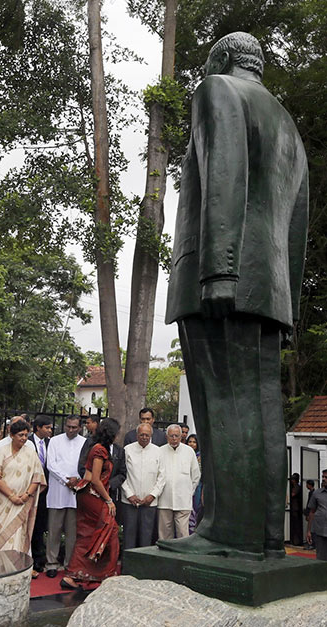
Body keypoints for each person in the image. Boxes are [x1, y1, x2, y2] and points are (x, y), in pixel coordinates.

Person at [163, 32, 308, 559]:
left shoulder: (216, 89)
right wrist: (285, 300)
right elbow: (297, 226)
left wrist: (218, 271)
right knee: (262, 412)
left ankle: (227, 531)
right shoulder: (287, 124)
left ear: (222, 59)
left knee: (221, 406)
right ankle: (264, 538)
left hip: (219, 280)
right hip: (267, 287)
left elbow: (222, 175)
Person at [61, 418, 121, 589]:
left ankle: (75, 575)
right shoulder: (100, 450)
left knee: (88, 533)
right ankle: (104, 575)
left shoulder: (95, 448)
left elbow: (89, 477)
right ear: (111, 433)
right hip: (93, 495)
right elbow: (95, 479)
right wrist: (108, 500)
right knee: (111, 529)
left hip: (87, 494)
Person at [0, 419, 46, 553]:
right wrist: (12, 496)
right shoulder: (2, 451)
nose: (24, 438)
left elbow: (37, 478)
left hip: (23, 502)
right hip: (4, 501)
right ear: (12, 435)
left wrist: (26, 495)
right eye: (21, 435)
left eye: (26, 435)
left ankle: (16, 571)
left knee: (19, 536)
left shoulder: (31, 452)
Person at [45, 415, 86, 577]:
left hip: (76, 492)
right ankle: (52, 564)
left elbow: (85, 465)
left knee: (72, 532)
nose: (70, 430)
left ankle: (70, 564)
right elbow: (51, 465)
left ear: (80, 428)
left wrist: (77, 481)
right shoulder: (54, 441)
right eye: (68, 426)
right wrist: (65, 480)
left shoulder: (84, 442)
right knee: (54, 530)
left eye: (74, 427)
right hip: (57, 491)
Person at [121, 423, 163, 550]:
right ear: (136, 435)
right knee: (129, 536)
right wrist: (129, 494)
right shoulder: (127, 450)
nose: (144, 437)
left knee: (147, 536)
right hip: (129, 501)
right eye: (142, 435)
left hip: (149, 502)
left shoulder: (158, 451)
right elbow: (122, 475)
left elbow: (162, 477)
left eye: (147, 435)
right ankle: (127, 567)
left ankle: (143, 567)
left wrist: (152, 495)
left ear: (151, 435)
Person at [156, 425, 200, 541]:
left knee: (183, 533)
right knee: (164, 534)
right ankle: (164, 557)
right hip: (164, 500)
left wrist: (189, 492)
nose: (174, 439)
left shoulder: (189, 451)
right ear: (167, 437)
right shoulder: (160, 451)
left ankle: (182, 558)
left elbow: (195, 475)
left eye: (177, 436)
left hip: (183, 500)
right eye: (171, 436)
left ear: (181, 437)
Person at [29, 414, 53, 574]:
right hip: (30, 489)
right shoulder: (28, 442)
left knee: (39, 525)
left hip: (45, 489)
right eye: (47, 427)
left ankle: (39, 559)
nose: (50, 430)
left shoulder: (51, 443)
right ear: (38, 428)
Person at [306, 469, 327, 561]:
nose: (324, 479)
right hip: (320, 531)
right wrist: (309, 531)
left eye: (326, 477)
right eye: (323, 477)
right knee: (321, 559)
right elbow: (312, 512)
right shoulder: (317, 493)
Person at [186, 434, 202, 534]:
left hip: (198, 486)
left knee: (196, 507)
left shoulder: (201, 456)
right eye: (190, 441)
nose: (192, 444)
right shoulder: (184, 454)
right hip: (185, 486)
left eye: (194, 442)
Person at [289, 472, 303, 546]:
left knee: (296, 526)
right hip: (294, 509)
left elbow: (292, 494)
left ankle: (297, 541)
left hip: (295, 509)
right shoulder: (295, 486)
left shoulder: (297, 487)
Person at [304, 479, 316, 549]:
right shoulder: (313, 492)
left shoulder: (312, 493)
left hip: (311, 512)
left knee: (311, 528)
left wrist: (307, 513)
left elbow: (310, 504)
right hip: (311, 512)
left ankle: (311, 543)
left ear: (309, 485)